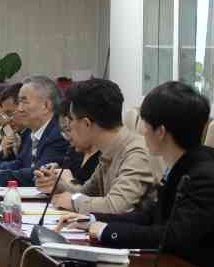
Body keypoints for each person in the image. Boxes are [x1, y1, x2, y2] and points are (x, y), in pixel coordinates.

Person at [57, 82, 214, 267]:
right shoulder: (179, 166)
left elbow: (174, 236)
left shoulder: (205, 176)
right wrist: (94, 220)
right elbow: (150, 216)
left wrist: (108, 231)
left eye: (144, 124)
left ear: (160, 132)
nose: (142, 132)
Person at [36, 79, 153, 214]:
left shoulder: (136, 153)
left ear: (86, 124)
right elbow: (87, 193)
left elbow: (116, 206)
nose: (70, 126)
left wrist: (73, 201)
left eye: (71, 120)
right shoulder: (110, 150)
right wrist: (59, 186)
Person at [0, 76, 69, 187]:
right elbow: (20, 163)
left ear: (46, 106)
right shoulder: (32, 131)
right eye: (19, 102)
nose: (19, 109)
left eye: (24, 102)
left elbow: (37, 174)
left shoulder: (59, 134)